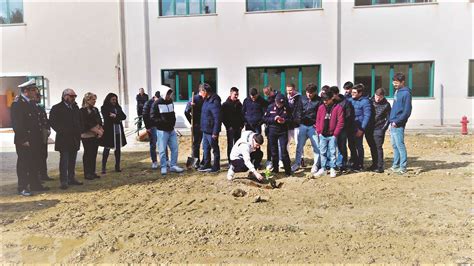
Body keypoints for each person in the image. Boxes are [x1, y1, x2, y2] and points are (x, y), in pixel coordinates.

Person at [11, 80, 50, 196]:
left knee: (34, 162)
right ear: (26, 91)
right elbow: (17, 124)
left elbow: (36, 122)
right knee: (24, 163)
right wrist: (23, 139)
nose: (36, 92)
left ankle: (35, 184)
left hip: (35, 139)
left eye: (35, 90)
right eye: (33, 90)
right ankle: (22, 187)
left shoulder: (31, 103)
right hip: (25, 140)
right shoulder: (18, 104)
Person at [50, 88, 83, 189]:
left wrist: (79, 132)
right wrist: (62, 130)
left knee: (72, 160)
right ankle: (63, 181)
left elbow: (79, 121)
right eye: (72, 96)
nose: (74, 98)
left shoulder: (75, 107)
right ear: (65, 96)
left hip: (74, 138)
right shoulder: (57, 108)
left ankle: (71, 178)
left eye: (75, 96)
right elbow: (52, 122)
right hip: (64, 139)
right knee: (64, 160)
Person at [150, 86, 184, 175]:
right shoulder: (156, 103)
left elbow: (173, 114)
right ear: (164, 94)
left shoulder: (170, 102)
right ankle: (163, 166)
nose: (169, 96)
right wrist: (162, 123)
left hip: (171, 130)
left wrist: (173, 122)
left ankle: (173, 165)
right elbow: (153, 117)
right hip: (162, 131)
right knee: (162, 150)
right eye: (168, 94)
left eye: (170, 94)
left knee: (175, 148)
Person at [292, 83, 322, 174]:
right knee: (299, 146)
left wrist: (317, 124)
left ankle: (316, 165)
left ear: (315, 92)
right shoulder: (302, 98)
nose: (309, 94)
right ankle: (297, 163)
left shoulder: (319, 101)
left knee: (316, 147)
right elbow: (297, 110)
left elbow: (320, 114)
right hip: (303, 126)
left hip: (313, 127)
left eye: (311, 93)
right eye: (308, 92)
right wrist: (298, 121)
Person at [314, 90, 344, 178]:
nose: (325, 101)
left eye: (327, 99)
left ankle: (332, 168)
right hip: (322, 134)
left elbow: (340, 122)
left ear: (332, 98)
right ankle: (323, 168)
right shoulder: (321, 107)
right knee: (322, 151)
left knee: (332, 152)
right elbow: (318, 120)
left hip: (332, 135)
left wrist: (335, 134)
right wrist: (319, 131)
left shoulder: (338, 107)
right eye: (323, 100)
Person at [389, 73, 412, 175]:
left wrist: (397, 121)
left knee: (400, 145)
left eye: (396, 82)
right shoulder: (397, 91)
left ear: (402, 82)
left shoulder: (406, 93)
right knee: (394, 145)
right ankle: (395, 165)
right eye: (393, 82)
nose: (394, 84)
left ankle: (403, 167)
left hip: (398, 124)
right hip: (393, 122)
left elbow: (407, 111)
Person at [263, 93, 292, 176]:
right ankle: (275, 169)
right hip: (272, 131)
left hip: (283, 131)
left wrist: (284, 121)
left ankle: (288, 171)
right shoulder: (270, 107)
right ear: (275, 101)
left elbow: (291, 119)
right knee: (274, 151)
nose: (280, 105)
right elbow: (264, 118)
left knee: (284, 151)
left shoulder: (287, 108)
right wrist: (274, 119)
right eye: (279, 103)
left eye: (282, 103)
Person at [365, 88, 391, 173]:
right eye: (376, 96)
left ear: (383, 96)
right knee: (372, 147)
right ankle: (374, 164)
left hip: (378, 128)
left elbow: (388, 118)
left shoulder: (386, 105)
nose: (378, 98)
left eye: (380, 96)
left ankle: (380, 167)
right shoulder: (369, 102)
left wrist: (383, 129)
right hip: (369, 128)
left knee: (378, 147)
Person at [198, 83, 222, 173]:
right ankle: (207, 164)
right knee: (205, 148)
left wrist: (215, 132)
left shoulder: (214, 101)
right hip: (205, 129)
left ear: (205, 91)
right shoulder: (206, 100)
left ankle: (216, 166)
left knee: (214, 148)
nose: (200, 94)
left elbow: (217, 118)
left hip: (212, 130)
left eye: (201, 91)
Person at [100, 93, 127, 174]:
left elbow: (124, 117)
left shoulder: (118, 107)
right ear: (109, 99)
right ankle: (103, 167)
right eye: (113, 100)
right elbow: (107, 118)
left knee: (118, 149)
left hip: (117, 130)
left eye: (115, 99)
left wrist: (115, 116)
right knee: (107, 148)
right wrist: (117, 118)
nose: (114, 101)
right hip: (109, 131)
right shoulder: (104, 107)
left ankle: (117, 166)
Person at [330, 86, 355, 173]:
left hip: (342, 128)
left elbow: (348, 116)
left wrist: (341, 126)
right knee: (332, 146)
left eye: (332, 94)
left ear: (336, 94)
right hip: (332, 128)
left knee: (342, 146)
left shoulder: (345, 102)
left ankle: (342, 164)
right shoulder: (331, 102)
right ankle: (333, 163)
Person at [80, 92, 103, 180]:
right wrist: (96, 130)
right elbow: (85, 123)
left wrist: (100, 130)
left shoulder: (95, 109)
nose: (94, 101)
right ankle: (87, 173)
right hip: (86, 135)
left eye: (95, 100)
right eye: (93, 99)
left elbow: (99, 120)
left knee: (94, 153)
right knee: (88, 153)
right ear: (87, 100)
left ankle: (92, 172)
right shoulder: (82, 111)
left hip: (95, 135)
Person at [350, 83, 372, 171]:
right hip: (350, 127)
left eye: (354, 93)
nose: (352, 94)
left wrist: (361, 129)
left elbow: (367, 116)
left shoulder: (365, 102)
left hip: (359, 127)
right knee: (351, 145)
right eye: (352, 92)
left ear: (360, 93)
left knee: (359, 146)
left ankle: (360, 164)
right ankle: (354, 162)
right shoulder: (350, 100)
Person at [33, 91, 53, 182]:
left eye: (39, 96)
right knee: (38, 156)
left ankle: (44, 174)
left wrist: (48, 129)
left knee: (44, 154)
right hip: (37, 134)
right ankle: (38, 175)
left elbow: (46, 119)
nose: (39, 98)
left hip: (44, 133)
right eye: (38, 96)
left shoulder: (40, 107)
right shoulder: (32, 107)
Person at [222, 87, 244, 163]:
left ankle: (237, 159)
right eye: (235, 94)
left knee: (238, 145)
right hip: (230, 129)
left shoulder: (239, 104)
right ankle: (230, 161)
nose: (236, 96)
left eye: (237, 94)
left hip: (238, 128)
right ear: (231, 94)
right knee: (230, 145)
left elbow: (242, 115)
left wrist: (242, 125)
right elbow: (223, 118)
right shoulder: (225, 105)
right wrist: (228, 126)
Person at [184, 87, 205, 169]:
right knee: (196, 144)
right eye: (204, 91)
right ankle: (196, 162)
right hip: (196, 125)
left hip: (205, 124)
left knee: (205, 145)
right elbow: (186, 112)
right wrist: (192, 122)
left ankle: (204, 161)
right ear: (201, 91)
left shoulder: (205, 99)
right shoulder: (193, 98)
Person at [286, 83, 303, 166]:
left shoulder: (299, 98)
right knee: (287, 142)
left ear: (294, 89)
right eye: (288, 90)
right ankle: (286, 159)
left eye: (291, 90)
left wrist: (298, 120)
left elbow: (300, 110)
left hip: (296, 124)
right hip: (287, 124)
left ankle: (301, 159)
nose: (289, 92)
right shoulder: (285, 98)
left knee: (298, 142)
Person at [262, 85, 279, 169]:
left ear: (270, 91)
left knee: (278, 144)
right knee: (270, 144)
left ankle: (278, 160)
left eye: (267, 93)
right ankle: (269, 160)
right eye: (265, 94)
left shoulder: (278, 97)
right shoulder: (267, 100)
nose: (266, 95)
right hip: (269, 125)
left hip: (279, 125)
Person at [142, 93, 158, 169]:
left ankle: (166, 160)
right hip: (152, 126)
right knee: (153, 144)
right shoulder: (148, 103)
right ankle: (154, 161)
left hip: (160, 125)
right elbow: (144, 115)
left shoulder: (161, 101)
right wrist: (148, 127)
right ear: (154, 97)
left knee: (163, 143)